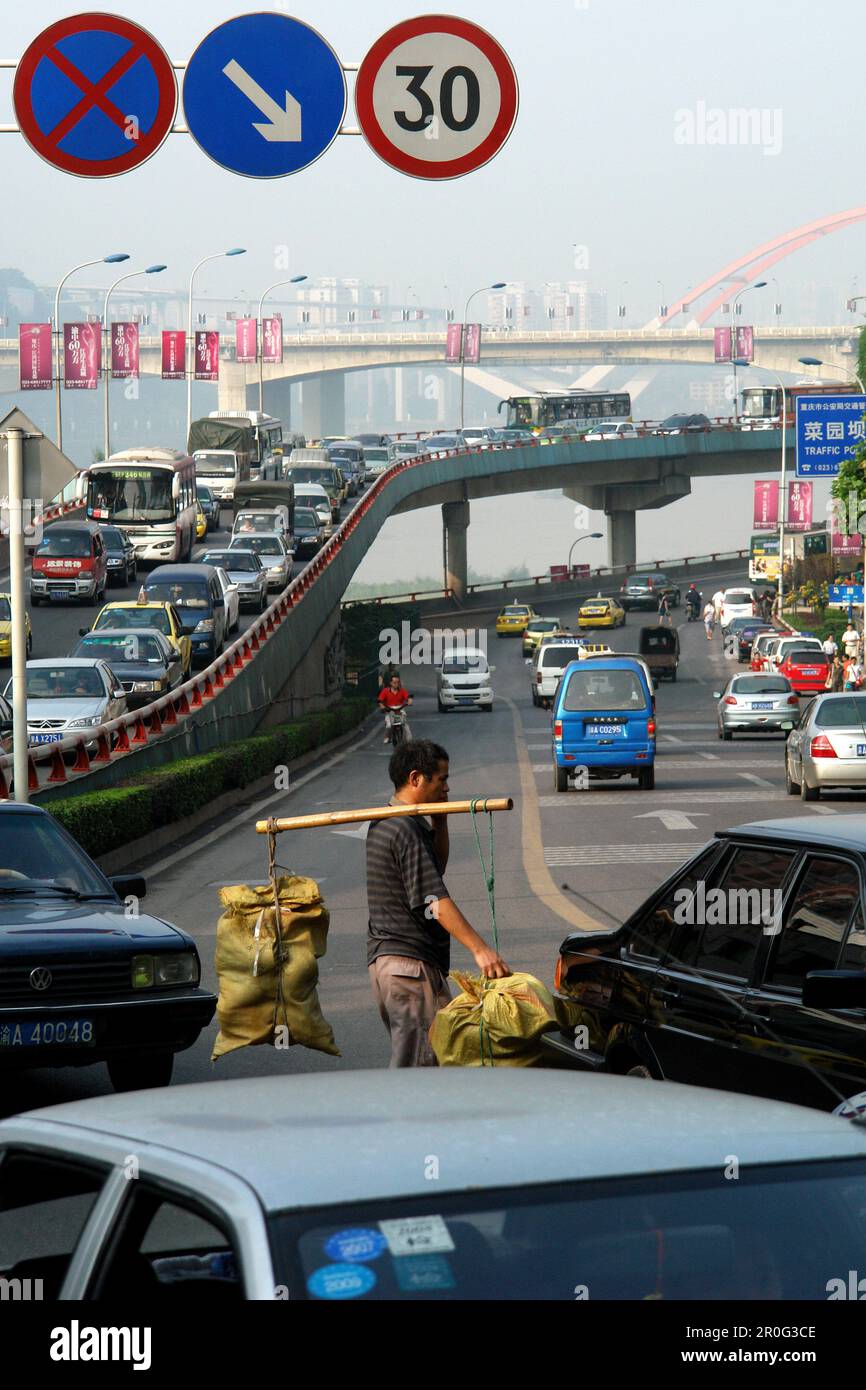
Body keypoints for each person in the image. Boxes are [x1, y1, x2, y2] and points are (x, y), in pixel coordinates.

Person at [366, 740, 511, 1067]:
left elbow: (434, 871)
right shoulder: (403, 829)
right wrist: (480, 949)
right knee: (420, 1067)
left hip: (397, 966)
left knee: (438, 1058)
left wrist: (440, 823)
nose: (447, 787)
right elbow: (433, 898)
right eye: (441, 779)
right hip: (408, 969)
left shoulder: (393, 821)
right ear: (416, 779)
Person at [378, 672, 412, 743]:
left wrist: (409, 701)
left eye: (397, 682)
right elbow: (380, 700)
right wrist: (382, 706)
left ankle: (408, 741)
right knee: (389, 725)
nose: (396, 684)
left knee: (405, 724)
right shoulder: (385, 691)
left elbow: (408, 697)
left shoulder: (402, 691)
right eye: (394, 682)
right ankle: (387, 736)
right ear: (390, 683)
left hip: (400, 709)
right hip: (390, 710)